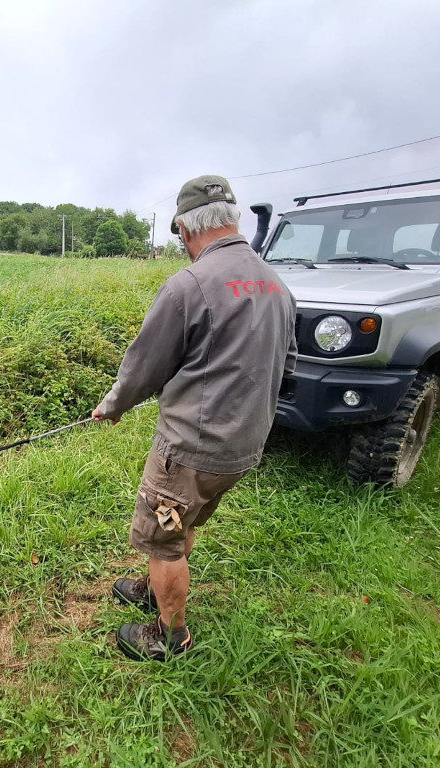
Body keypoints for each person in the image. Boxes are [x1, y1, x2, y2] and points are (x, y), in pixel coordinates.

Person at [92, 175, 297, 661]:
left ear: (185, 228)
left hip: (191, 449)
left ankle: (170, 636)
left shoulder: (190, 285)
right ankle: (153, 587)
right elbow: (286, 366)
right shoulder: (276, 284)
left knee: (164, 538)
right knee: (184, 521)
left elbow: (145, 365)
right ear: (232, 220)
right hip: (244, 446)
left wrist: (112, 406)